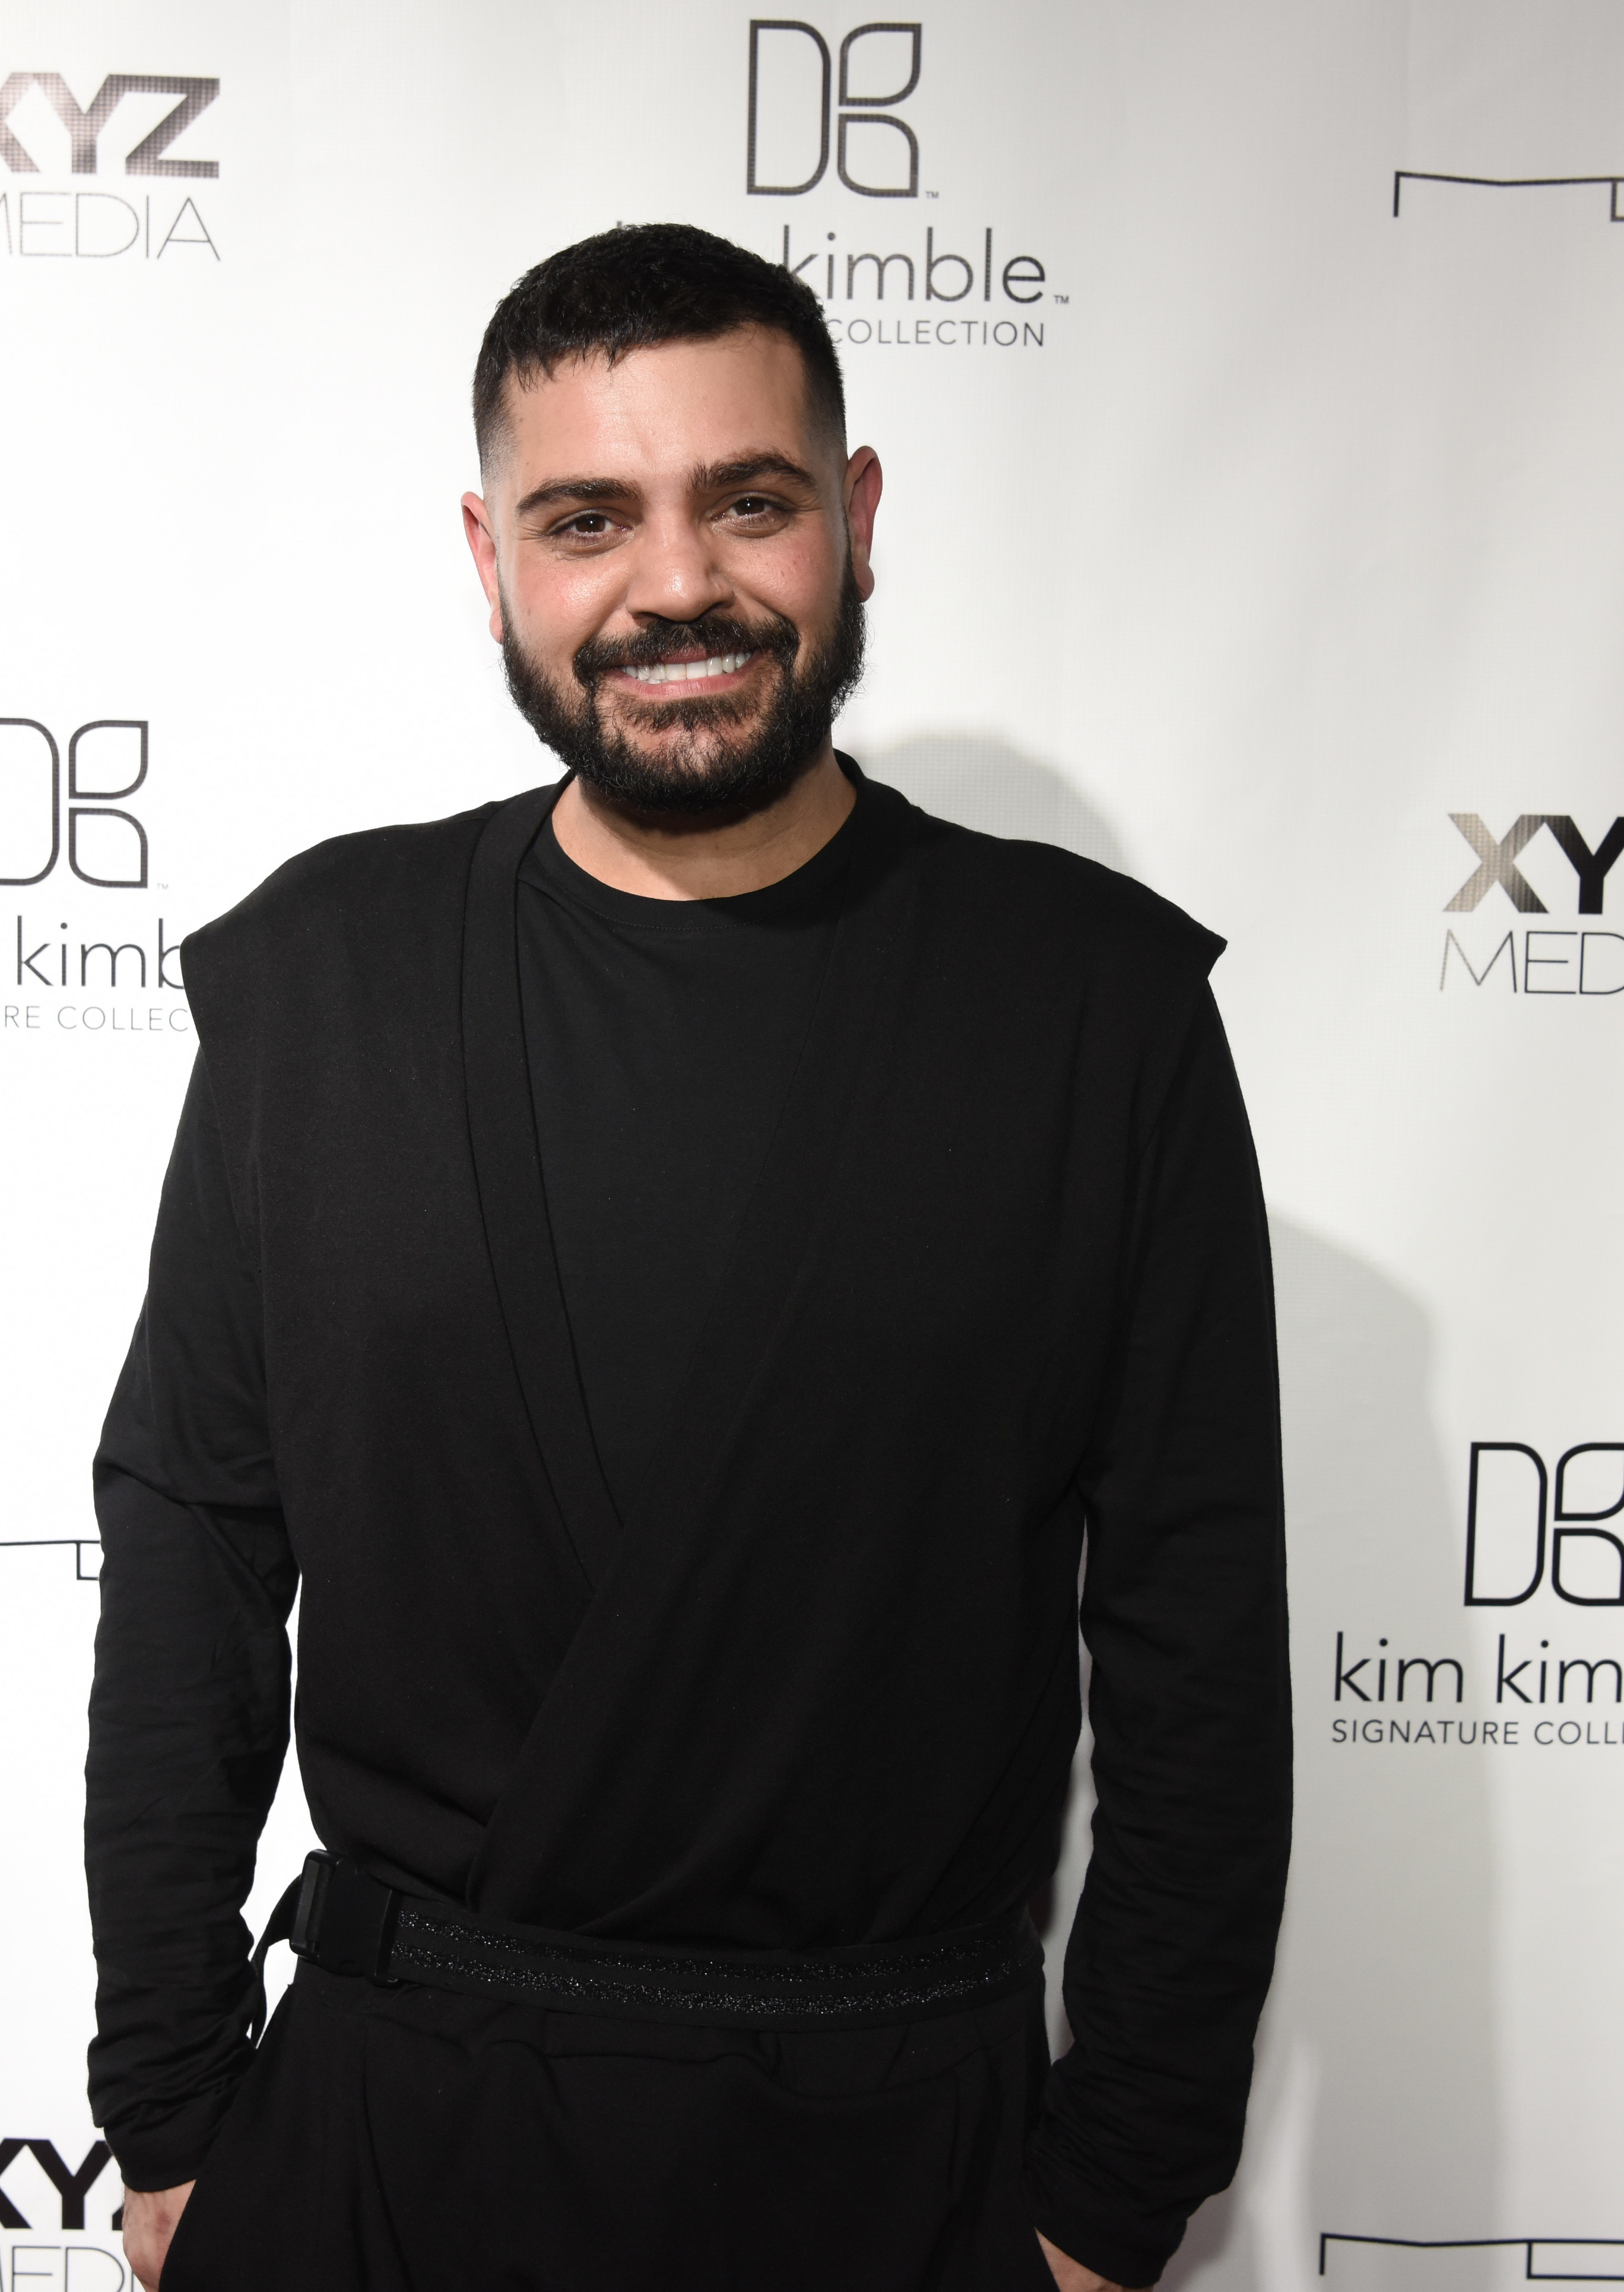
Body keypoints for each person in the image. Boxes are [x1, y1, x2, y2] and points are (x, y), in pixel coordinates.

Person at [85, 221, 1290, 2292]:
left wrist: (1117, 2190)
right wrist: (177, 2107)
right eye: (587, 518)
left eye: (750, 501)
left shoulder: (1094, 1007)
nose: (676, 586)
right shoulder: (321, 982)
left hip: (901, 2166)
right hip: (383, 2149)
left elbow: (1195, 1646)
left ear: (858, 516)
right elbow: (193, 1553)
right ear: (489, 556)